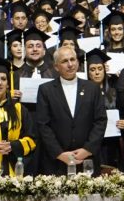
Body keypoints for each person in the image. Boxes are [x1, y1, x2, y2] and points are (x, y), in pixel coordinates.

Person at [35, 46, 107, 175]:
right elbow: (43, 125)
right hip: (57, 162)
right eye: (64, 61)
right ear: (56, 67)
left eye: (72, 59)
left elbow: (100, 121)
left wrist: (87, 149)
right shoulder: (45, 90)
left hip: (87, 160)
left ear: (78, 62)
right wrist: (59, 153)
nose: (70, 64)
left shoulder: (92, 88)